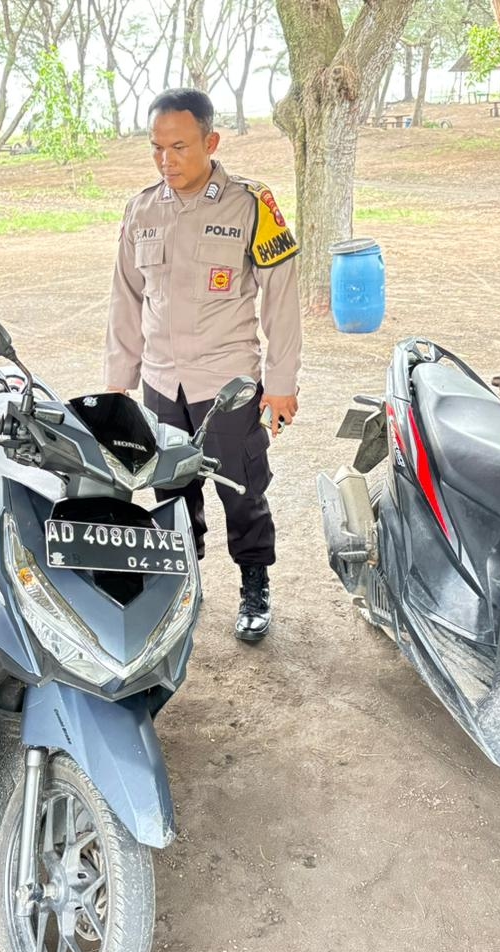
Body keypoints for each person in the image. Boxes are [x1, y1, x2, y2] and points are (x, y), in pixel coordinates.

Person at [104, 88, 302, 644]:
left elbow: (281, 298)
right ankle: (182, 587)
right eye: (157, 148)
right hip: (162, 384)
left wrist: (281, 385)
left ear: (211, 142)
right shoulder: (141, 210)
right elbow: (126, 300)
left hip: (228, 386)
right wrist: (119, 385)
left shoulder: (250, 204)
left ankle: (254, 584)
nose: (167, 160)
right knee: (170, 494)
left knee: (241, 491)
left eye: (180, 147)